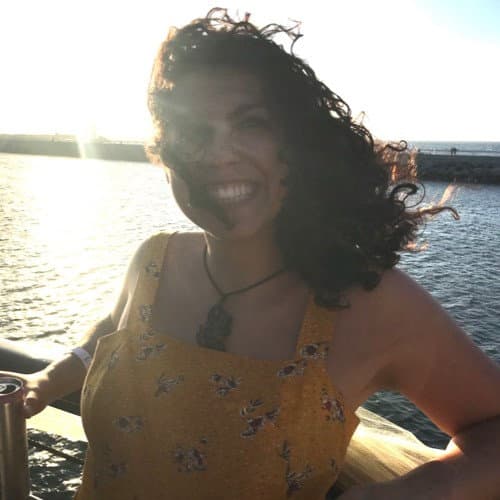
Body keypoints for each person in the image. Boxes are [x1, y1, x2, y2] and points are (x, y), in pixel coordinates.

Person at [4, 9, 500, 499]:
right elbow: (112, 331)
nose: (219, 155)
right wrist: (48, 379)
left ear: (296, 145)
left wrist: (409, 494)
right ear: (162, 155)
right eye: (192, 132)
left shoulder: (367, 304)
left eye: (251, 123)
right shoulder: (153, 261)